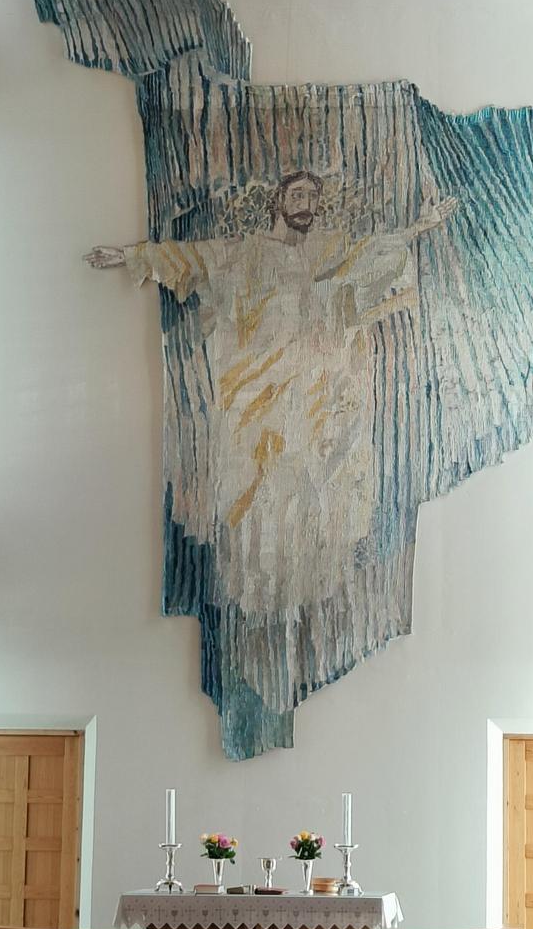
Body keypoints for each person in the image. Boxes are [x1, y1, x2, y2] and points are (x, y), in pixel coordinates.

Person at [85, 172, 456, 615]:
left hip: (315, 404)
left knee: (314, 496)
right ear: (278, 201)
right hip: (256, 407)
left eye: (313, 196)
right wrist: (131, 255)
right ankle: (259, 600)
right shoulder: (244, 252)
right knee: (257, 501)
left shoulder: (329, 250)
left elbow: (374, 253)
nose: (306, 203)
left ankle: (313, 597)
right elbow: (190, 258)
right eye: (297, 194)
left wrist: (421, 227)